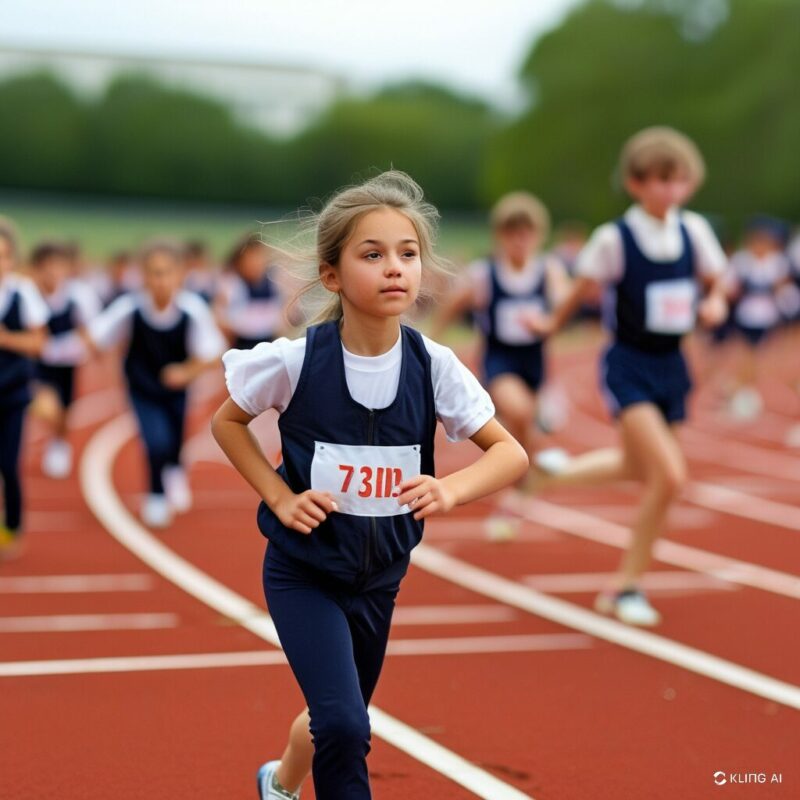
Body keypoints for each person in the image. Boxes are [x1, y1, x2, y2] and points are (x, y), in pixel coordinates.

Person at [211, 171, 529, 800]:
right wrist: (279, 496)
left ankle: (277, 784)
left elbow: (509, 453)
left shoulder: (434, 365)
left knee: (337, 716)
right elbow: (228, 423)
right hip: (304, 572)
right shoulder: (298, 360)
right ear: (331, 276)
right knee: (347, 724)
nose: (395, 269)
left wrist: (452, 490)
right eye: (373, 254)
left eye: (407, 255)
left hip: (380, 577)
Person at [530, 127, 728, 626]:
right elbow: (580, 291)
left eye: (678, 180)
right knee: (670, 476)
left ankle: (557, 472)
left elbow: (718, 279)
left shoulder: (694, 232)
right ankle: (625, 587)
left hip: (673, 365)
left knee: (641, 468)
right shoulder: (614, 238)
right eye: (660, 180)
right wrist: (551, 324)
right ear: (637, 183)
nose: (670, 190)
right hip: (629, 364)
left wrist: (716, 301)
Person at [45, 240, 226, 528]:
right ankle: (156, 494)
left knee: (176, 436)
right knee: (155, 441)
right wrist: (64, 343)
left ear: (179, 275)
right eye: (154, 272)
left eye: (167, 272)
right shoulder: (130, 309)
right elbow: (96, 336)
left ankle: (175, 469)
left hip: (177, 390)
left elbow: (212, 352)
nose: (161, 280)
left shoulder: (191, 310)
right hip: (142, 388)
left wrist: (186, 371)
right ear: (143, 276)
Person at [432, 191, 569, 478]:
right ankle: (523, 470)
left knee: (525, 419)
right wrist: (433, 341)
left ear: (539, 235)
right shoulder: (484, 273)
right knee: (518, 411)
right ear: (499, 236)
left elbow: (564, 305)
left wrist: (546, 323)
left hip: (535, 361)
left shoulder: (548, 270)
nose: (520, 241)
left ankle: (525, 470)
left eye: (526, 233)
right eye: (512, 234)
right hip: (500, 359)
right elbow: (451, 306)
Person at [30, 241, 101, 478]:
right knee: (45, 405)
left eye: (57, 266)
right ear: (38, 268)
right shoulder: (30, 294)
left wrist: (82, 346)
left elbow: (92, 330)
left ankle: (59, 444)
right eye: (47, 266)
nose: (52, 272)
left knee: (64, 411)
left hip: (67, 362)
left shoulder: (78, 295)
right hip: (37, 362)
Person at [0, 218, 48, 559]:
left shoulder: (23, 293)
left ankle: (13, 526)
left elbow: (38, 343)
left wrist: (5, 339)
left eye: (3, 255)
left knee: (7, 462)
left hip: (12, 392)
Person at [725, 215, 792, 420]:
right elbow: (730, 287)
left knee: (766, 358)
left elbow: (783, 289)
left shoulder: (777, 262)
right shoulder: (742, 261)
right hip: (746, 316)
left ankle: (747, 392)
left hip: (768, 317)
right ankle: (742, 392)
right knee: (746, 355)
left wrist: (788, 307)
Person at [215, 233, 284, 349]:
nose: (256, 264)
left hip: (268, 341)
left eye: (260, 258)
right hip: (240, 343)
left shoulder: (274, 282)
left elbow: (282, 315)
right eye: (251, 259)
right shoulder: (231, 284)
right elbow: (219, 318)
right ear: (239, 262)